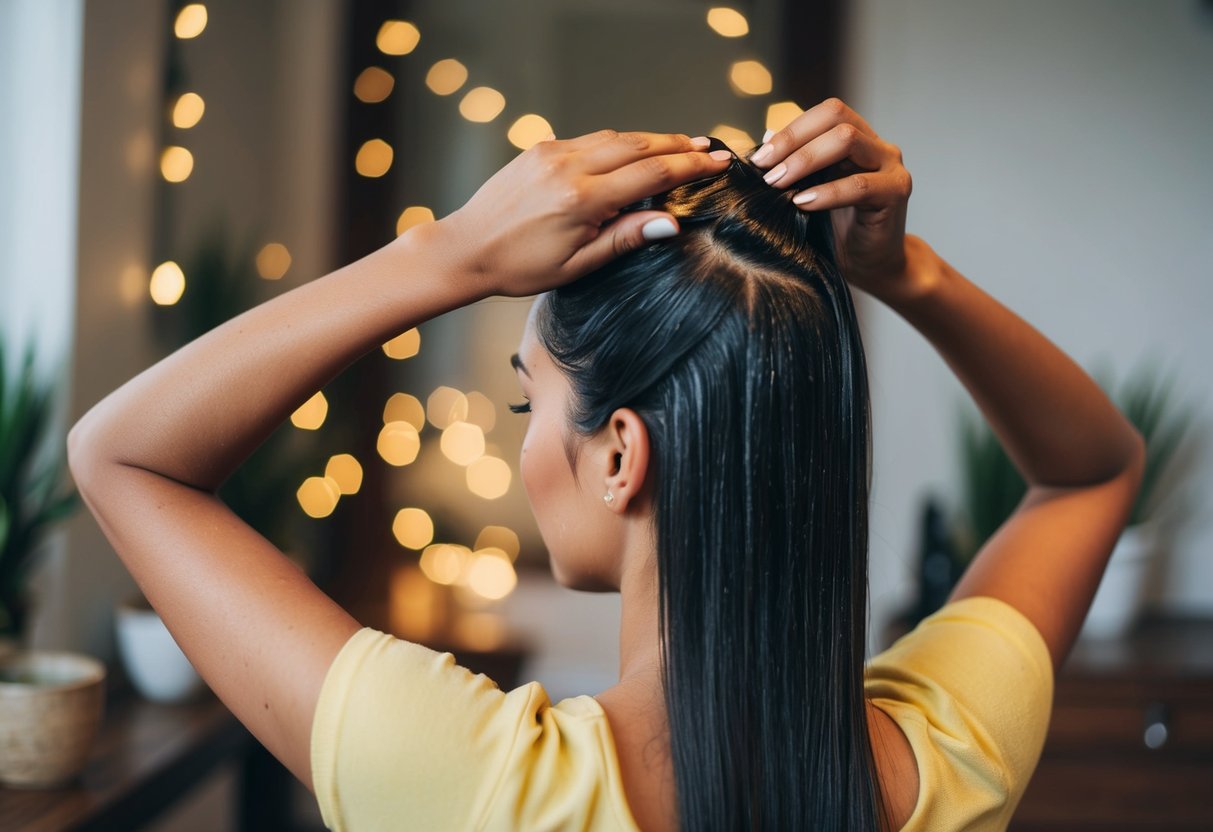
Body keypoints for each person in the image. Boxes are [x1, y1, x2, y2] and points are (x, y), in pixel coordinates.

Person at [67, 98, 1144, 831]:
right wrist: (904, 271)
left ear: (622, 452)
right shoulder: (950, 753)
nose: (525, 438)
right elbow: (1093, 470)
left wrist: (453, 253)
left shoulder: (475, 781)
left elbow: (122, 456)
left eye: (530, 399)